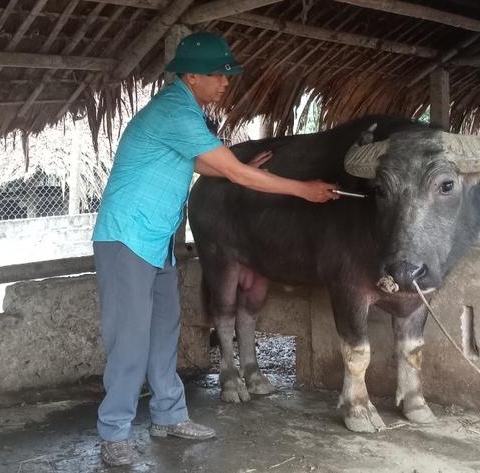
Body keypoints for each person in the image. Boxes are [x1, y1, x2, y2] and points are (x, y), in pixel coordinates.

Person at [91, 31, 340, 467]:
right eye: (217, 74)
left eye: (228, 74)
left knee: (165, 331)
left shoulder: (186, 112)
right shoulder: (174, 110)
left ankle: (168, 415)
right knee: (129, 342)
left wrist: (236, 166)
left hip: (156, 242)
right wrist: (303, 189)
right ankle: (114, 431)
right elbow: (233, 174)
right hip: (126, 237)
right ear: (190, 75)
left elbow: (202, 162)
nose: (226, 82)